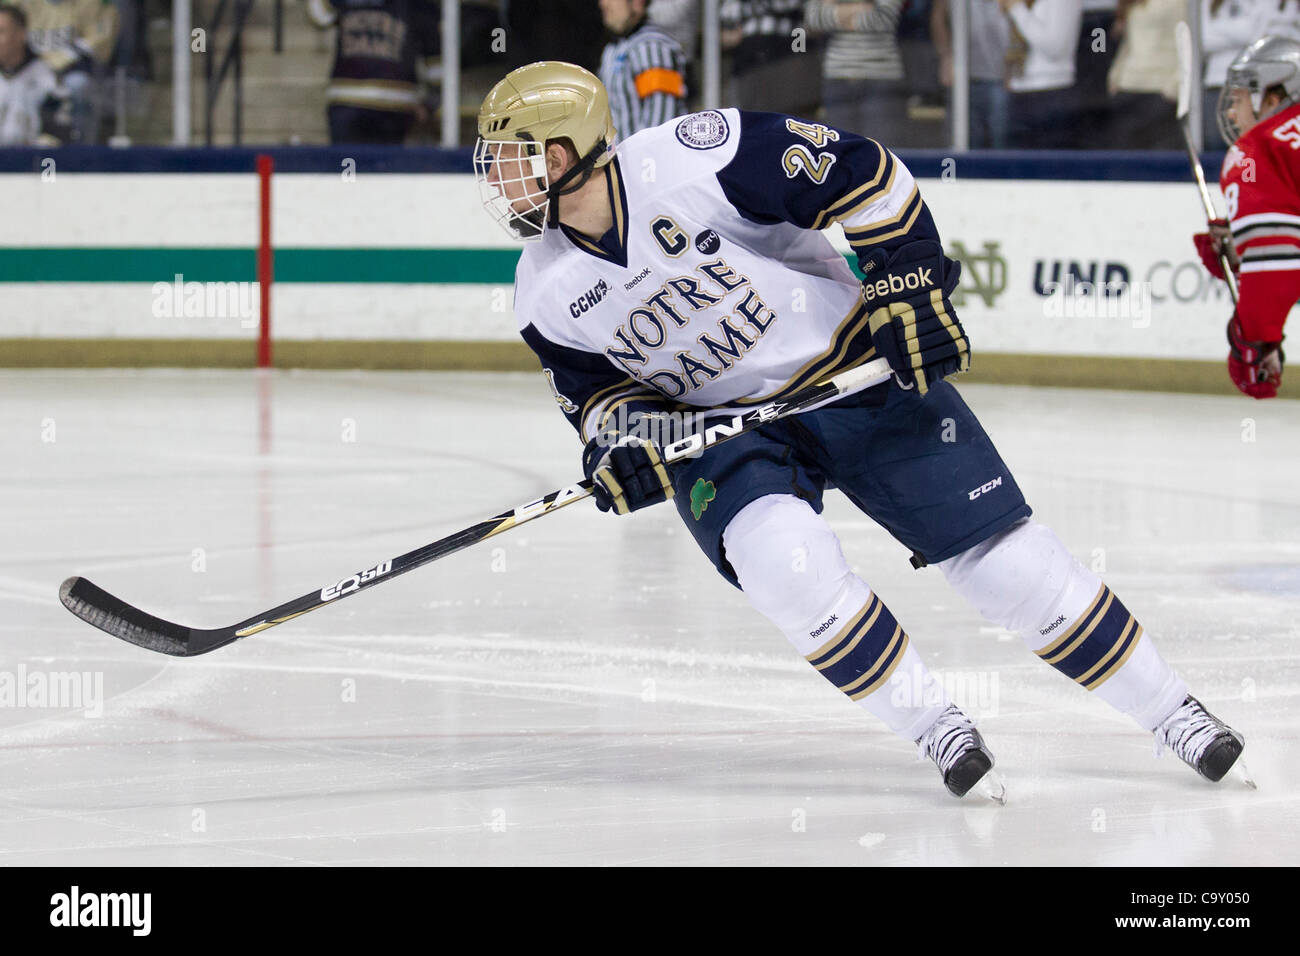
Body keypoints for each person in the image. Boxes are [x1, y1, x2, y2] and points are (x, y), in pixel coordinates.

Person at [474, 61, 1249, 798]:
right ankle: (936, 727)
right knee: (785, 569)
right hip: (723, 432)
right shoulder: (540, 293)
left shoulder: (692, 159)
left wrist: (907, 282)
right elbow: (600, 400)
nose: (496, 181)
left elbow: (865, 173)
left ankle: (1173, 712)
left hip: (850, 371)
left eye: (509, 161)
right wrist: (624, 447)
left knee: (1005, 566)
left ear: (563, 150)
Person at [1194, 34, 1300, 398]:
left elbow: (1277, 268)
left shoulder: (1257, 151)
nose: (1230, 112)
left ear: (1271, 98)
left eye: (1238, 100)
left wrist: (1255, 341)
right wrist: (1243, 244)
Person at [306, 0, 440, 145]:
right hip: (351, 99)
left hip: (391, 103)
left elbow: (436, 58)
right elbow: (319, 17)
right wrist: (430, 103)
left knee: (363, 164)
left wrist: (430, 103)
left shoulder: (417, 5)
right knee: (353, 163)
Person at [804, 0, 908, 143]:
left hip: (881, 77)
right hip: (837, 76)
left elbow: (881, 21)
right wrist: (860, 7)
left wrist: (836, 10)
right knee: (837, 149)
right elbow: (814, 20)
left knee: (882, 152)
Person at [15, 0, 117, 143]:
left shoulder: (92, 4)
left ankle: (81, 148)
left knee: (79, 84)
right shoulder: (23, 4)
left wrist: (60, 60)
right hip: (29, 70)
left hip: (73, 71)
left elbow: (100, 40)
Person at [1000, 0, 1083, 149]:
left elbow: (1055, 48)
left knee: (1050, 167)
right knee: (1017, 167)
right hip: (1018, 89)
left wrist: (1017, 9)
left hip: (1051, 91)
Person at [598, 0, 687, 137]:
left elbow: (661, 121)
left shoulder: (652, 46)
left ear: (637, 3)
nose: (604, 4)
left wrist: (641, 157)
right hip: (619, 156)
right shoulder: (613, 48)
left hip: (646, 157)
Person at [931, 0, 1012, 148]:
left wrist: (1013, 66)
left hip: (1000, 76)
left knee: (1000, 143)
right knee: (961, 144)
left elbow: (1021, 19)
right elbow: (938, 17)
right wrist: (946, 56)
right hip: (962, 78)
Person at [0, 3, 60, 145]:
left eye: (1, 31)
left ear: (21, 35)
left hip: (31, 160)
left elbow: (57, 134)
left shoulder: (46, 78)